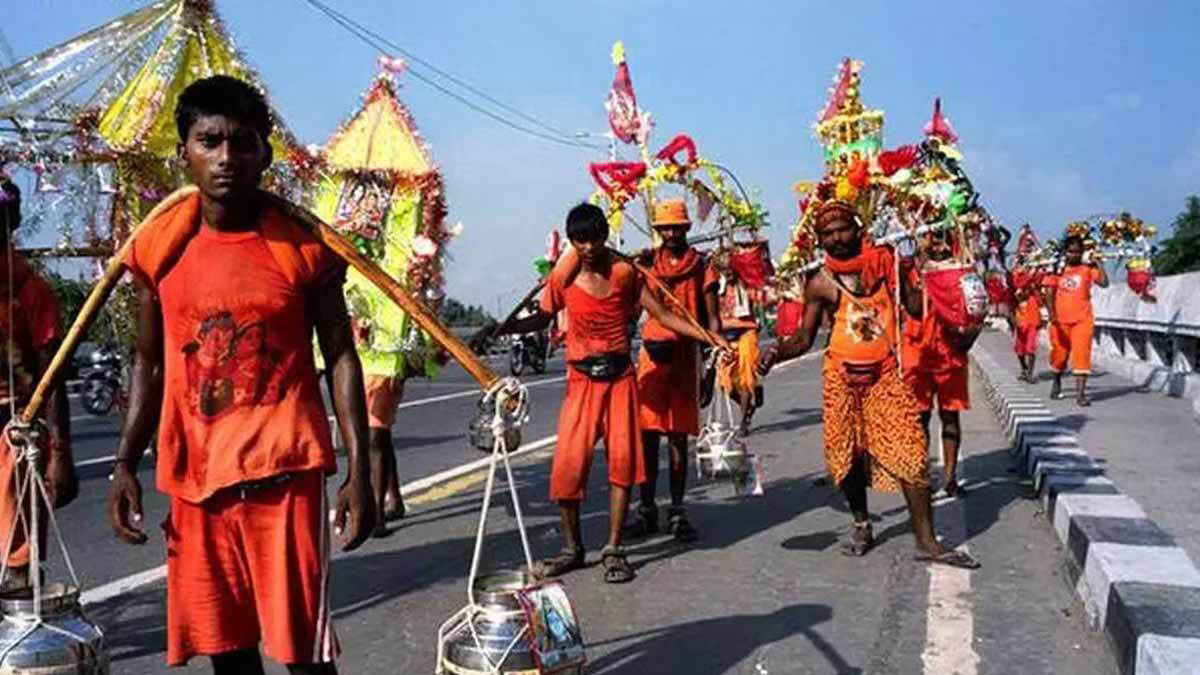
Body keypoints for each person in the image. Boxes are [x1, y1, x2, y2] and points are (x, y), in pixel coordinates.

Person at [108, 75, 375, 674]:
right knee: (227, 656)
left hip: (283, 482)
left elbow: (340, 355)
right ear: (186, 151)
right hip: (198, 485)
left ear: (265, 154)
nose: (226, 157)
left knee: (303, 657)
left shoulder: (302, 248)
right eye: (210, 141)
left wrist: (362, 469)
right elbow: (148, 361)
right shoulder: (158, 247)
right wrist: (125, 463)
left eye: (243, 142)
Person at [499, 202, 728, 583]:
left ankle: (614, 548)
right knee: (568, 468)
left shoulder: (625, 274)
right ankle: (572, 549)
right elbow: (542, 315)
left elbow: (664, 315)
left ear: (605, 237)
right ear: (572, 242)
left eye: (593, 239)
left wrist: (709, 336)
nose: (587, 248)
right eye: (579, 241)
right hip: (581, 382)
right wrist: (502, 329)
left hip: (620, 379)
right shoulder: (564, 276)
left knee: (623, 466)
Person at [758, 200, 978, 569]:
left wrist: (909, 270)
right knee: (848, 455)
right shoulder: (820, 282)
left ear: (858, 228)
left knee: (910, 453)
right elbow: (804, 338)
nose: (837, 238)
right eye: (827, 233)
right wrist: (774, 354)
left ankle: (926, 541)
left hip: (886, 376)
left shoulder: (886, 265)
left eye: (843, 229)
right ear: (819, 239)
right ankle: (862, 524)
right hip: (841, 379)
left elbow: (915, 308)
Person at [626, 198, 719, 542]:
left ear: (686, 229)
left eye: (677, 227)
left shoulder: (702, 266)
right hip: (652, 355)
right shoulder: (647, 264)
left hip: (685, 355)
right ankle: (646, 509)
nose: (671, 233)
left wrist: (711, 367)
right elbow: (632, 311)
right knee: (647, 436)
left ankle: (677, 511)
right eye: (665, 228)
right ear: (658, 231)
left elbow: (712, 320)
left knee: (678, 437)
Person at [0, 177, 77, 591]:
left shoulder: (31, 290)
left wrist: (60, 454)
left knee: (17, 566)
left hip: (15, 425)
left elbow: (52, 377)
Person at [902, 232, 980, 499]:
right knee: (919, 419)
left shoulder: (964, 270)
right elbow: (912, 308)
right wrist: (920, 266)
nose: (938, 243)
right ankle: (921, 474)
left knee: (950, 417)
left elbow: (978, 310)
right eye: (931, 238)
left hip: (951, 354)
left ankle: (949, 478)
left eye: (943, 238)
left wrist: (965, 342)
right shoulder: (911, 269)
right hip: (918, 353)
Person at [1045, 235, 1108, 406]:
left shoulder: (1086, 269)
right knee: (1060, 356)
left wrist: (1099, 264)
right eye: (1071, 251)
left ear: (1082, 253)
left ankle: (1080, 395)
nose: (1074, 255)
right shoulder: (1057, 270)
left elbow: (1104, 282)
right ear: (1065, 252)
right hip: (1060, 321)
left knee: (1082, 355)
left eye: (1077, 252)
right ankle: (1057, 381)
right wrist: (1052, 315)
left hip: (1082, 319)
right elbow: (1049, 292)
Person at [1011, 260, 1044, 383]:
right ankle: (1024, 369)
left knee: (1030, 348)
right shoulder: (1016, 294)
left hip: (1032, 321)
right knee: (1019, 349)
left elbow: (1040, 301)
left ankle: (1030, 373)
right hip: (1020, 322)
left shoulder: (1033, 294)